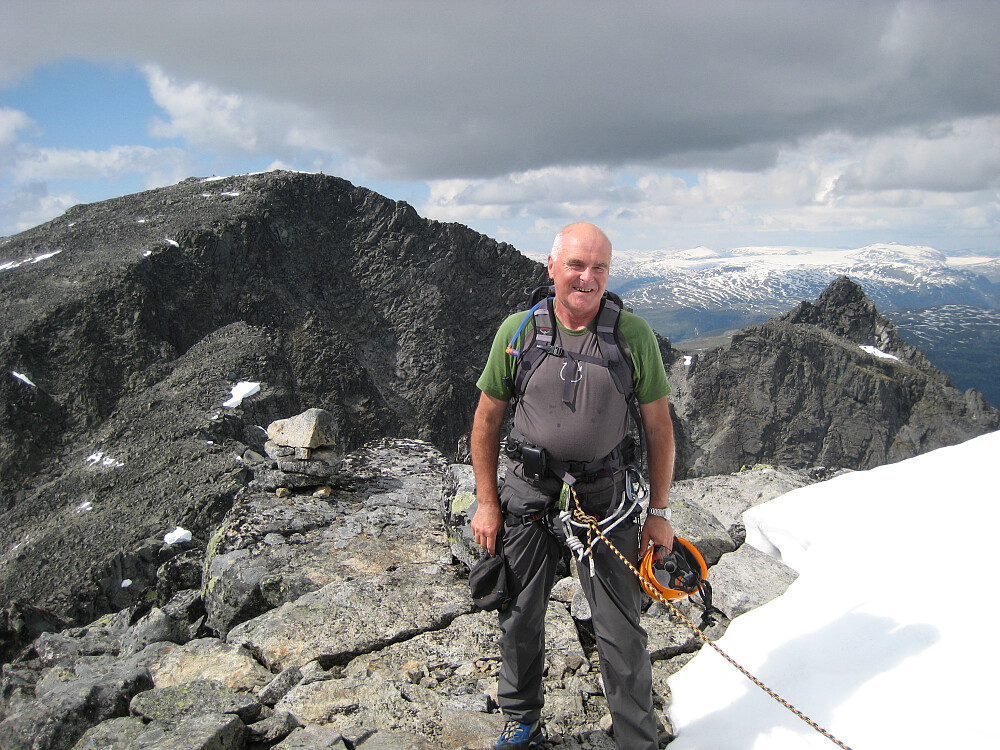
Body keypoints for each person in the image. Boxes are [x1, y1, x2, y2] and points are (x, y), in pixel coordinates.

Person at [471, 222, 676, 750]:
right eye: (577, 265)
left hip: (604, 500)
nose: (587, 278)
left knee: (620, 627)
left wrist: (658, 511)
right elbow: (487, 421)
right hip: (528, 492)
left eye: (599, 268)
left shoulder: (632, 337)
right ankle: (522, 721)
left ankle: (636, 739)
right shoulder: (518, 332)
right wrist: (487, 503)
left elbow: (658, 428)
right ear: (552, 267)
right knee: (520, 613)